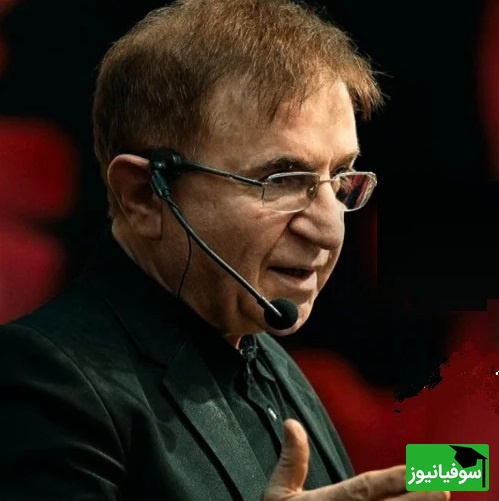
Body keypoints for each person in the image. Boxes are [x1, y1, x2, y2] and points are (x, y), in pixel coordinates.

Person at [0, 0, 450, 499]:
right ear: (144, 195)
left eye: (341, 176)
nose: (329, 231)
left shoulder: (270, 361)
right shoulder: (40, 380)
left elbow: (436, 466)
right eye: (282, 180)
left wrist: (476, 464)